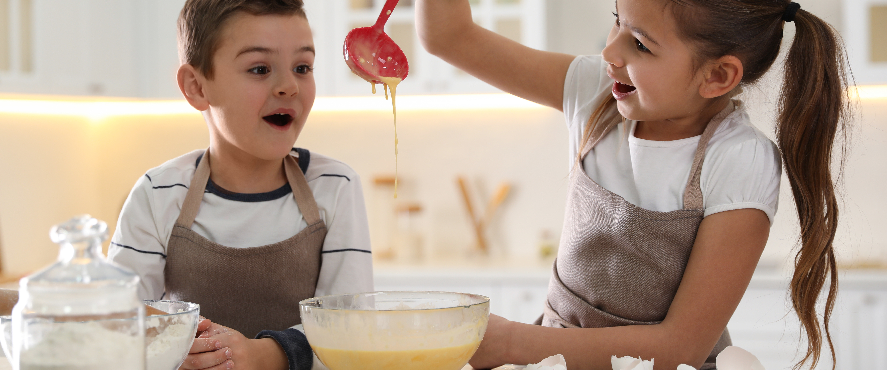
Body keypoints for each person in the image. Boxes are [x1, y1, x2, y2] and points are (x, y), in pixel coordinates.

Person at [416, 0, 852, 369]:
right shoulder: (596, 92)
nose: (610, 50)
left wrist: (512, 344)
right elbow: (450, 37)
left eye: (640, 44)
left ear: (717, 77)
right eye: (617, 19)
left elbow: (680, 347)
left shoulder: (739, 158)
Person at [107, 1, 374, 369]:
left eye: (302, 67)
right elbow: (115, 326)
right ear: (197, 86)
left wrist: (268, 354)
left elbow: (351, 331)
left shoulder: (334, 186)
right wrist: (165, 351)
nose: (288, 86)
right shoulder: (157, 193)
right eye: (260, 69)